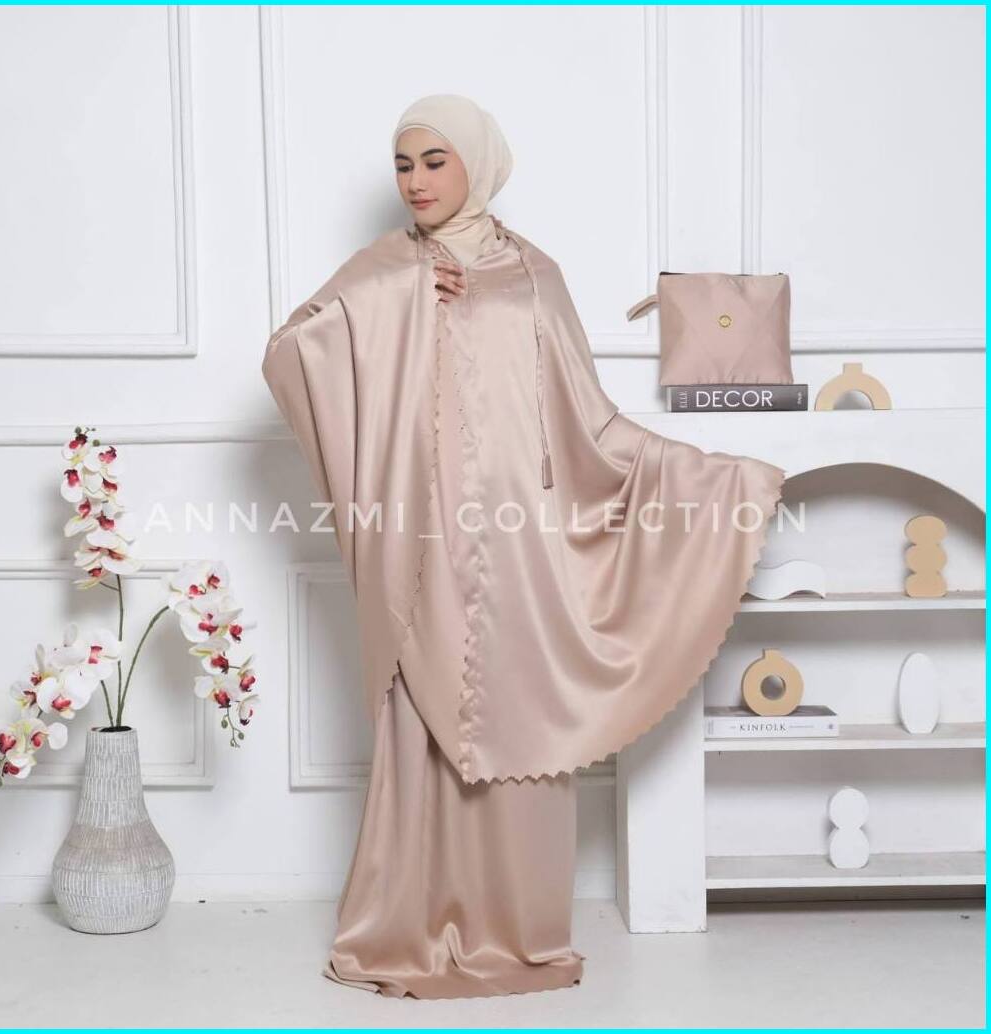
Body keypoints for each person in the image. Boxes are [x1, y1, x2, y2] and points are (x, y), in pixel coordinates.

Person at [261, 94, 786, 999]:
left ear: (478, 162)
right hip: (421, 543)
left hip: (520, 548)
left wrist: (708, 477)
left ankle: (517, 927)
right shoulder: (386, 268)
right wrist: (399, 303)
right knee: (426, 716)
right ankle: (412, 923)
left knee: (522, 714)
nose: (416, 181)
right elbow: (289, 353)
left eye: (434, 161)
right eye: (404, 164)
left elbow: (590, 420)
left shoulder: (534, 275)